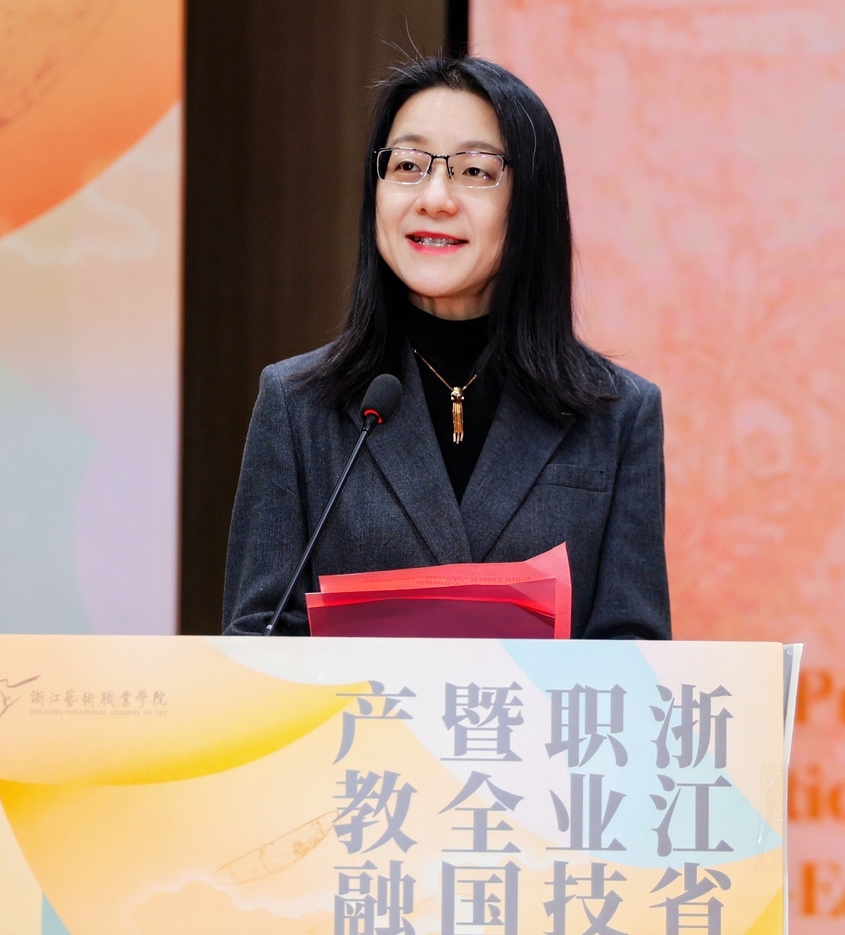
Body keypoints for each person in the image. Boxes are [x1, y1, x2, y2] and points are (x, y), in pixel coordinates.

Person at [221, 55, 670, 639]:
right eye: (407, 165)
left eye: (475, 171)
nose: (434, 198)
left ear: (530, 203)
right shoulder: (297, 405)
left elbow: (633, 654)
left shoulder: (618, 415)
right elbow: (255, 646)